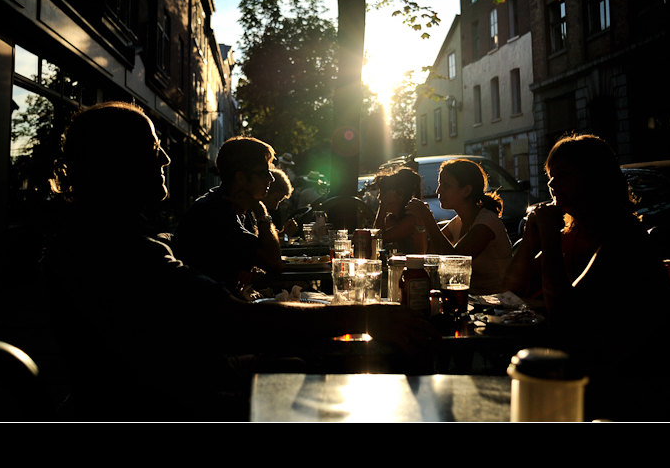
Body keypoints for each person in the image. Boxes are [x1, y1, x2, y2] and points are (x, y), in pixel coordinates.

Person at [41, 101, 432, 421]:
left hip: (156, 388)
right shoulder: (118, 247)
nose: (164, 158)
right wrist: (364, 317)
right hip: (170, 403)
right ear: (116, 163)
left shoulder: (94, 235)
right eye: (151, 147)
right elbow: (233, 319)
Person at [504, 133, 670, 375]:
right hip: (589, 355)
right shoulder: (575, 230)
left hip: (628, 370)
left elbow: (565, 315)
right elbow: (512, 287)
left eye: (562, 175)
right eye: (550, 175)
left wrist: (549, 236)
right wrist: (533, 238)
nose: (552, 184)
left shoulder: (621, 236)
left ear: (594, 179)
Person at [172, 136, 284, 296]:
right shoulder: (215, 213)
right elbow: (274, 262)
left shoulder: (230, 206)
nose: (271, 179)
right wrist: (261, 212)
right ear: (240, 178)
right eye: (264, 172)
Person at [404, 158, 513, 295]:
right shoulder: (459, 222)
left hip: (499, 303)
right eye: (439, 184)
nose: (438, 191)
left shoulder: (486, 224)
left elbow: (455, 263)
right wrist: (421, 223)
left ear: (466, 190)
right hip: (473, 300)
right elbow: (428, 252)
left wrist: (428, 218)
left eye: (446, 186)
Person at [372, 167, 426, 254]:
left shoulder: (411, 219)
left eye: (383, 193)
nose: (379, 197)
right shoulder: (392, 218)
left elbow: (380, 238)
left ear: (400, 194)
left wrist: (382, 207)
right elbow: (376, 239)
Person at [266, 168, 300, 237]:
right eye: (275, 200)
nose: (276, 207)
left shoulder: (272, 213)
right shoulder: (251, 214)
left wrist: (284, 233)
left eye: (279, 201)